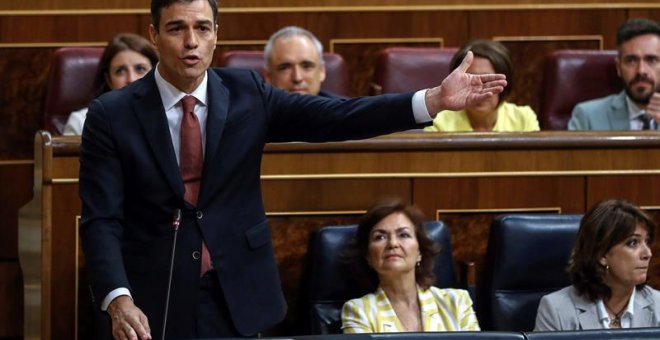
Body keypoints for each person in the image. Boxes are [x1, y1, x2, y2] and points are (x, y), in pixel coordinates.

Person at [78, 0, 506, 339]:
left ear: (215, 35)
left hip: (235, 293)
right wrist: (118, 298)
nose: (191, 41)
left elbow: (339, 116)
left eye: (202, 28)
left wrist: (430, 101)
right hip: (150, 298)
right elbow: (101, 221)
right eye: (176, 28)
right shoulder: (112, 114)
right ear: (154, 35)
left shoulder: (247, 93)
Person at [341, 200, 479, 333]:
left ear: (420, 252)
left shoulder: (457, 302)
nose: (393, 243)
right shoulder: (358, 312)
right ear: (369, 257)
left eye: (404, 235)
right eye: (380, 237)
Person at [534, 199, 660, 331]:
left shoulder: (658, 306)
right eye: (633, 243)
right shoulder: (556, 310)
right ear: (602, 254)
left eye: (647, 241)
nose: (648, 253)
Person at [424, 39, 539, 132]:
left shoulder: (523, 119)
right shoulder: (439, 123)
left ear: (505, 84)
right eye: (471, 82)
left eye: (487, 81)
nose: (479, 91)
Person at [568, 18, 660, 130]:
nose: (641, 70)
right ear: (619, 67)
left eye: (651, 60)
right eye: (631, 61)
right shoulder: (587, 117)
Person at [62, 33, 158, 135]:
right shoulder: (81, 122)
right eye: (120, 71)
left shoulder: (170, 116)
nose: (131, 79)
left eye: (140, 69)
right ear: (108, 80)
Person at [263, 26, 342, 98]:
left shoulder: (344, 111)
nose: (297, 78)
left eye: (307, 66)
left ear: (322, 71)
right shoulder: (253, 112)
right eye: (285, 68)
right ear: (268, 76)